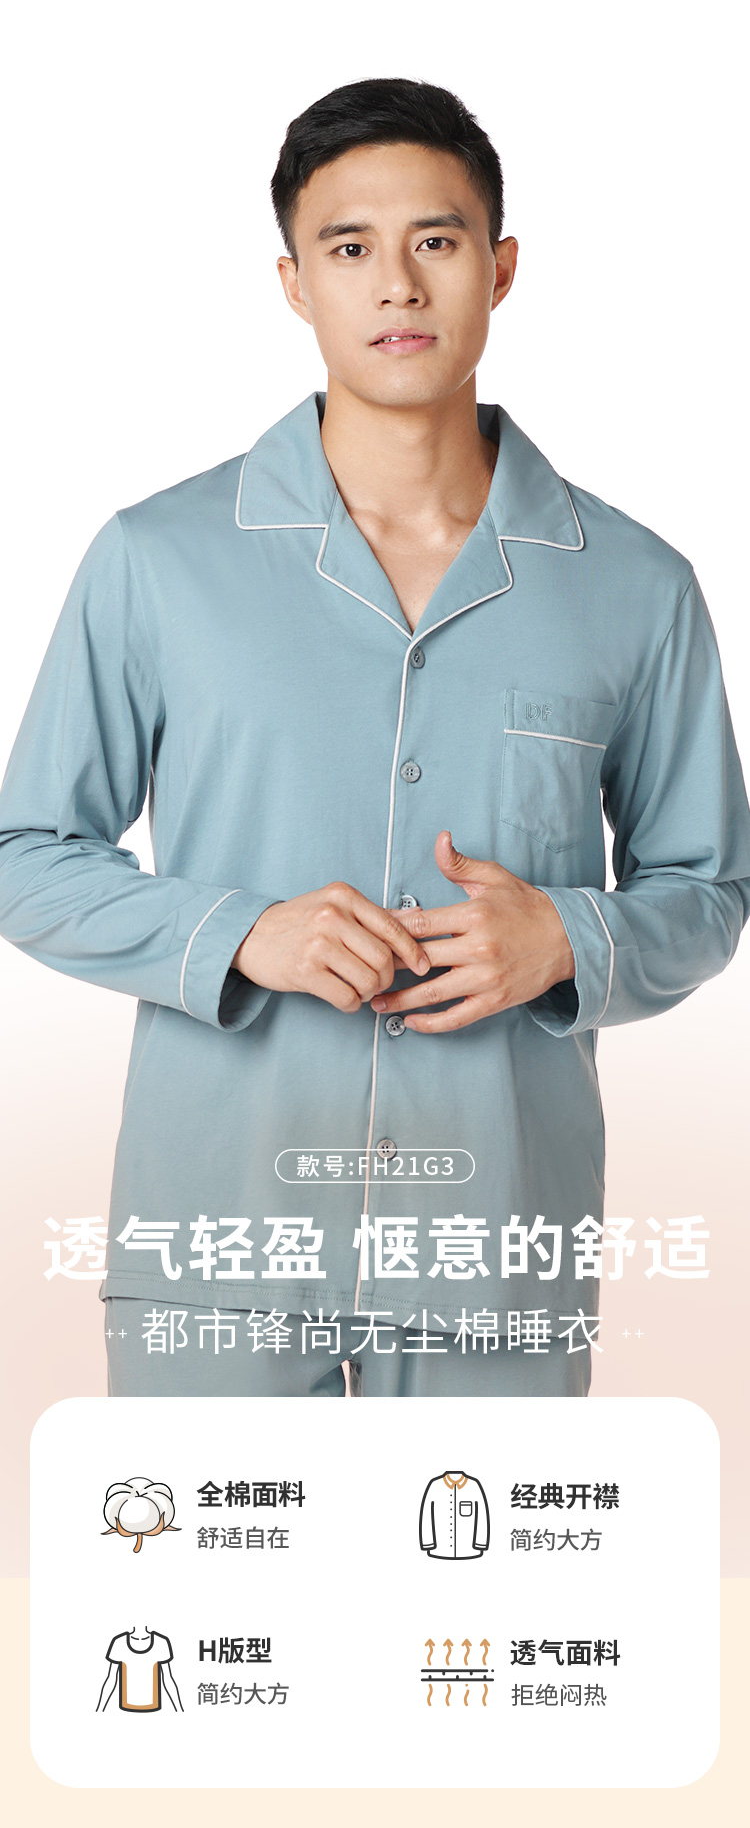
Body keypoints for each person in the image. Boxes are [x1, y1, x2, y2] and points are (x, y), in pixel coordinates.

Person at [1, 78, 749, 1399]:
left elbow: (709, 888)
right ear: (294, 284)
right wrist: (240, 933)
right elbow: (26, 854)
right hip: (220, 1252)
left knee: (478, 1554)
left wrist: (565, 940)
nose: (396, 284)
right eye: (349, 247)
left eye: (435, 241)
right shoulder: (157, 561)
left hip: (494, 1258)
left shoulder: (636, 585)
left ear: (499, 268)